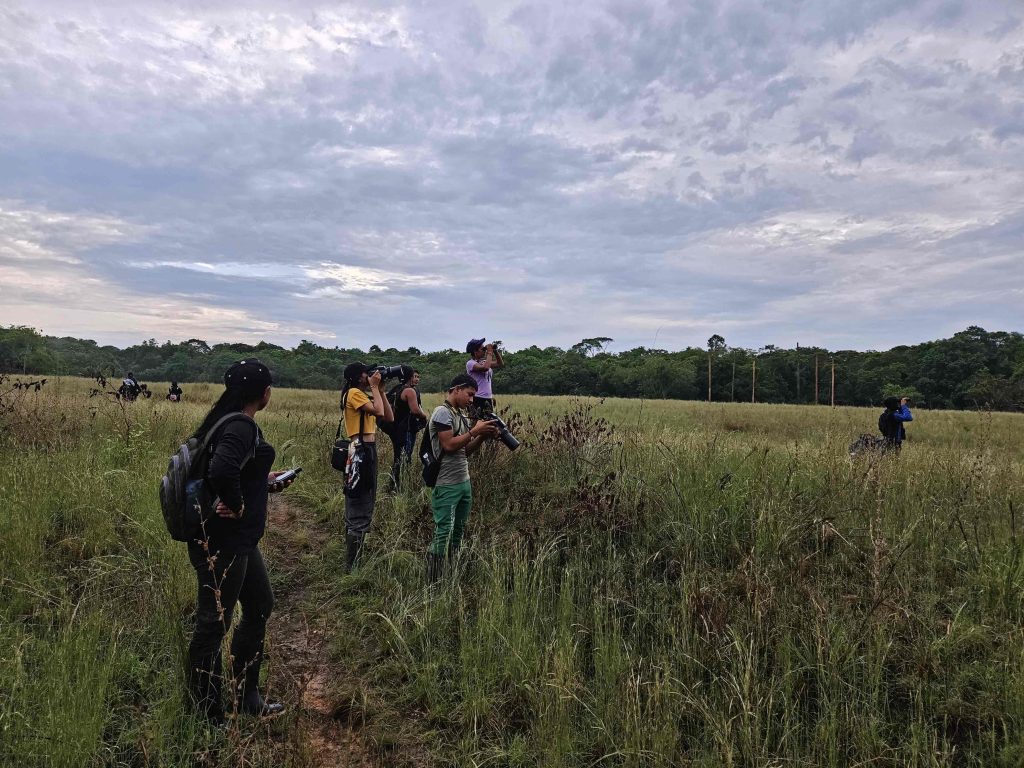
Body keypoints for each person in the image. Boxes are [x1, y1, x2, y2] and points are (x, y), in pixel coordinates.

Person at [186, 359, 294, 724]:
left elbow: (231, 470)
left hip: (239, 542)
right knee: (213, 624)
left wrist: (262, 481)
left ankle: (247, 695)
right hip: (223, 543)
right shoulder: (241, 425)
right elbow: (220, 471)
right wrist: (237, 503)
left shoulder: (227, 420)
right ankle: (206, 715)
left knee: (261, 605)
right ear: (264, 394)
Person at [425, 373, 499, 580]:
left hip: (463, 481)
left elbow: (464, 451)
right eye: (469, 394)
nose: (471, 400)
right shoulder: (442, 412)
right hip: (446, 483)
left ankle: (451, 572)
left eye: (473, 396)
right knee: (443, 532)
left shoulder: (459, 415)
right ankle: (434, 580)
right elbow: (448, 445)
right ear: (456, 389)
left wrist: (482, 435)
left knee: (458, 530)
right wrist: (475, 431)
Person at [340, 362, 394, 570]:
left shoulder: (360, 394)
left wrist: (380, 391)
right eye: (366, 373)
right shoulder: (354, 393)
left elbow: (388, 416)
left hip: (365, 449)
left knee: (362, 498)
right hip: (361, 450)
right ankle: (352, 566)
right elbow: (379, 412)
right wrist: (374, 388)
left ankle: (353, 561)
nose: (370, 375)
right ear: (358, 377)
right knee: (360, 502)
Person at [386, 368, 428, 492]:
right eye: (414, 376)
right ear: (410, 377)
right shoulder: (410, 391)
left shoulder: (398, 389)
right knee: (405, 458)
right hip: (407, 429)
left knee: (398, 456)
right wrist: (424, 416)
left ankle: (393, 485)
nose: (416, 379)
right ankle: (398, 487)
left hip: (396, 428)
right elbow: (415, 410)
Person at [466, 338, 504, 420]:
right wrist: (489, 352)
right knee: (477, 424)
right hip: (477, 398)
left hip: (488, 398)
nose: (484, 351)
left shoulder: (484, 362)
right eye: (482, 349)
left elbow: (499, 364)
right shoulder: (470, 363)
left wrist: (495, 351)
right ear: (475, 351)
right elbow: (485, 368)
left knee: (488, 425)